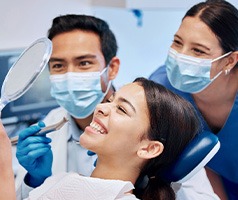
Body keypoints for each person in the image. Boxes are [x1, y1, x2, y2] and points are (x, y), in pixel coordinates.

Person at [2, 77, 201, 200]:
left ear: (149, 149)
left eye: (121, 109)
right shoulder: (65, 181)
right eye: (109, 101)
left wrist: (3, 166)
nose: (100, 107)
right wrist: (37, 180)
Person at [14, 14, 120, 196]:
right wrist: (36, 180)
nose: (70, 75)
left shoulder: (140, 127)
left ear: (112, 69)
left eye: (84, 63)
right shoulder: (50, 124)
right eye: (58, 65)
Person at [149, 0, 238, 199]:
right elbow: (199, 160)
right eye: (178, 42)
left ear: (230, 60)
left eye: (198, 50)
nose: (181, 57)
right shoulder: (163, 88)